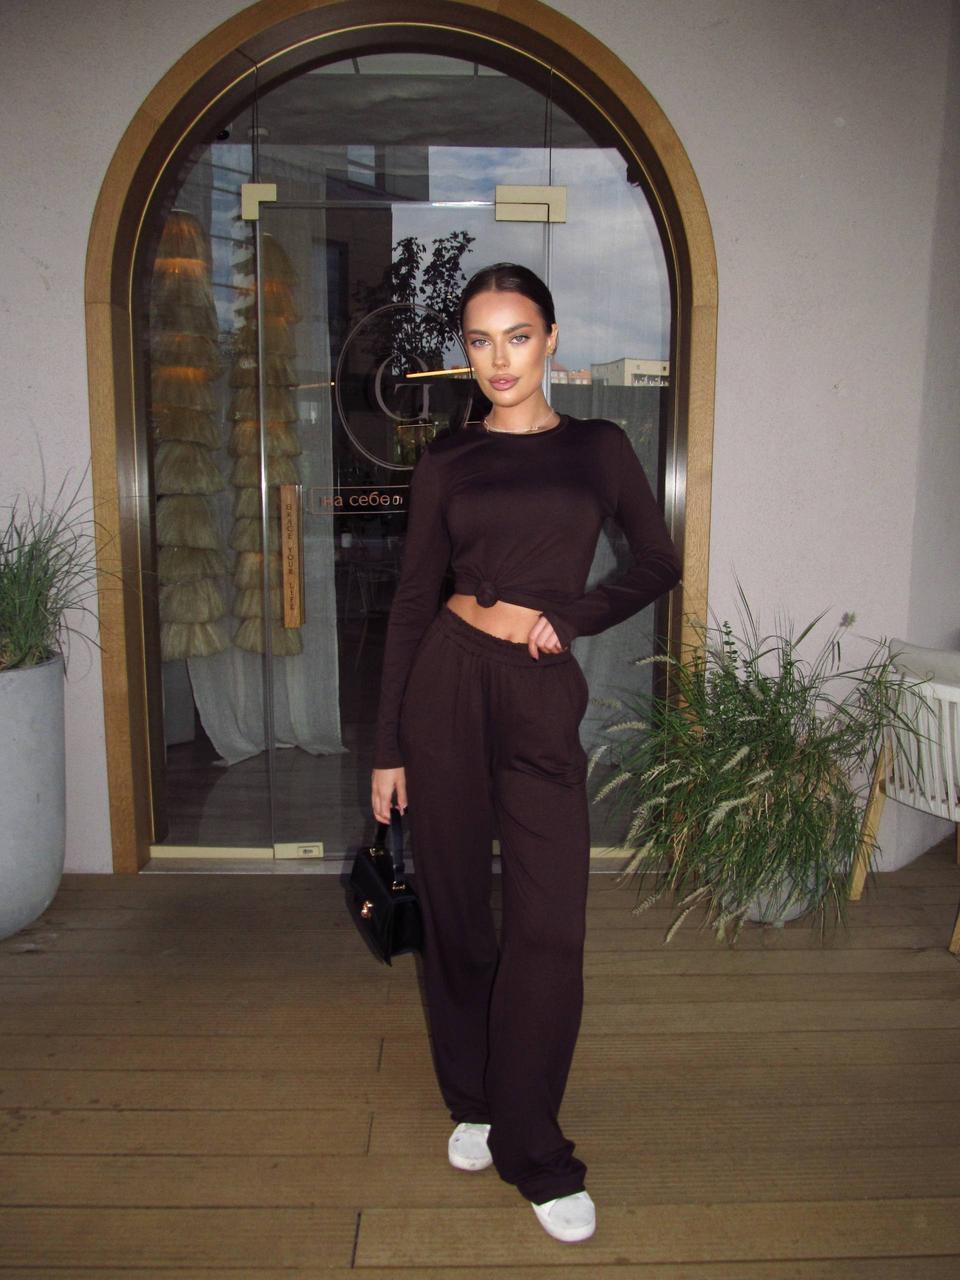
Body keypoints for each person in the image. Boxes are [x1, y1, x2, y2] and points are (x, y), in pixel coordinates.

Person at [370, 262, 682, 1243]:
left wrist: (575, 615)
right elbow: (413, 600)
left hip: (539, 690)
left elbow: (657, 557)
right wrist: (387, 745)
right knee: (458, 908)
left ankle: (535, 1147)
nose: (498, 358)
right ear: (465, 352)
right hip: (447, 682)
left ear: (551, 339)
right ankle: (474, 1095)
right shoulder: (448, 460)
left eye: (517, 336)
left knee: (550, 926)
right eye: (479, 340)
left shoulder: (598, 447)